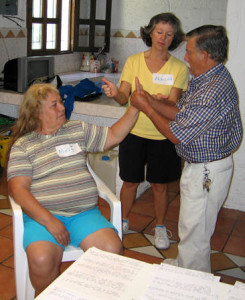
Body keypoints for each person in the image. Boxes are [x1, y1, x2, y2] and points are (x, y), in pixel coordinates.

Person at [7, 83, 139, 294]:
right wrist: (50, 221)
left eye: (60, 101)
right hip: (43, 217)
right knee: (41, 258)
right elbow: (18, 190)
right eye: (54, 104)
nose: (62, 107)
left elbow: (113, 135)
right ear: (37, 112)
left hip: (83, 214)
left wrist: (136, 106)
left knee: (112, 249)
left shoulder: (77, 129)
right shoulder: (24, 145)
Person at [130, 25, 243, 272]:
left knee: (195, 233)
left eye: (190, 52)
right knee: (191, 227)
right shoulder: (208, 78)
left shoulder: (211, 91)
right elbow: (183, 115)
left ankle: (192, 281)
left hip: (207, 171)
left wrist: (147, 108)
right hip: (204, 167)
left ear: (207, 55)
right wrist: (149, 98)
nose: (186, 57)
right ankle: (184, 265)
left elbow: (176, 134)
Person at [102, 13, 189, 249]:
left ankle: (160, 227)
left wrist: (149, 99)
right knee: (129, 181)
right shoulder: (133, 62)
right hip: (133, 131)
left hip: (163, 134)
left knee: (160, 185)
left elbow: (173, 105)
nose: (163, 38)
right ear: (150, 32)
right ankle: (123, 221)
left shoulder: (179, 68)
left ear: (175, 38)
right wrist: (115, 93)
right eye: (159, 32)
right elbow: (124, 98)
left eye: (169, 34)